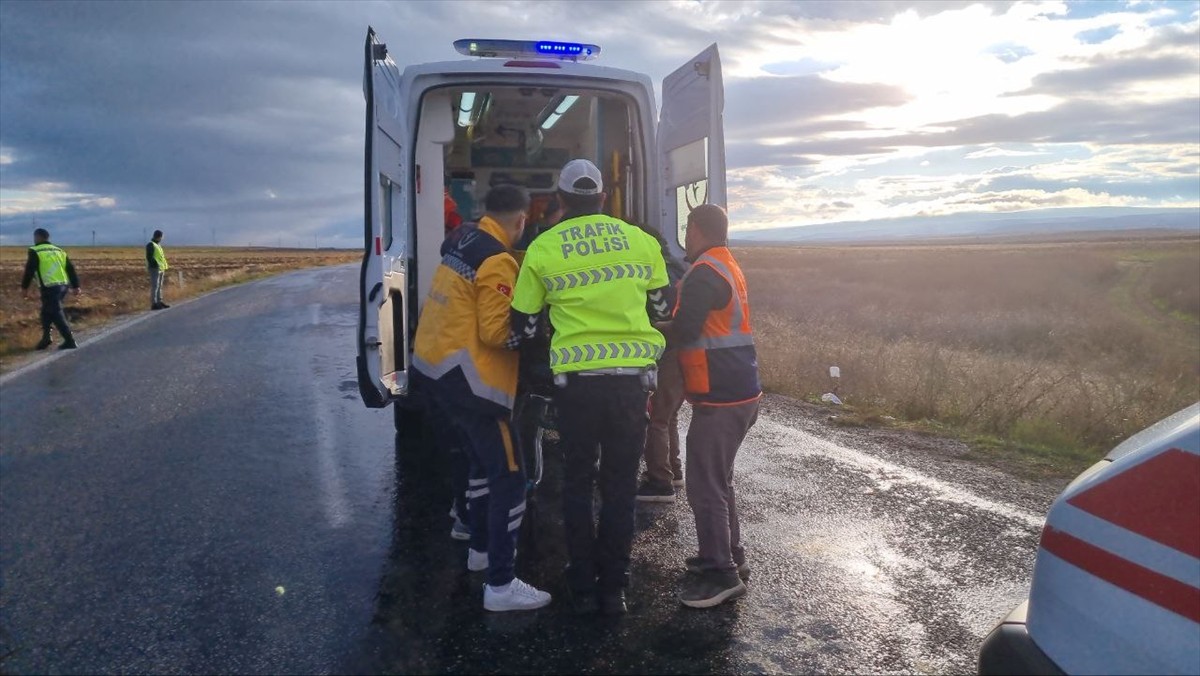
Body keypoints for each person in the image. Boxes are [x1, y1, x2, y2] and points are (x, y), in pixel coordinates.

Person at [509, 159, 673, 615]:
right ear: (603, 197)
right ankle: (614, 588)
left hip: (575, 389)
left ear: (560, 200)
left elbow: (522, 328)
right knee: (620, 486)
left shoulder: (543, 248)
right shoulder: (640, 242)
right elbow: (663, 304)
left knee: (578, 483)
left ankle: (581, 583)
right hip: (631, 386)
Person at [410, 184, 551, 613]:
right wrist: (534, 327)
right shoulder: (497, 260)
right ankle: (501, 585)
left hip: (434, 371)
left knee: (478, 464)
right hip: (473, 384)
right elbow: (496, 333)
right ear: (522, 221)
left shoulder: (463, 238)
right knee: (509, 477)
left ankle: (479, 550)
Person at [657, 204, 761, 609]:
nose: (685, 235)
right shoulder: (726, 264)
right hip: (738, 389)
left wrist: (641, 329)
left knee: (705, 483)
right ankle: (729, 556)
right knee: (720, 479)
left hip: (722, 394)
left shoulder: (704, 273)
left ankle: (722, 573)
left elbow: (684, 330)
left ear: (696, 229)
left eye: (686, 228)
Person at [634, 224, 690, 503]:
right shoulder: (679, 268)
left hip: (665, 351)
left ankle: (659, 481)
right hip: (684, 352)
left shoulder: (655, 273)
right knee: (669, 414)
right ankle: (674, 471)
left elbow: (658, 316)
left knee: (656, 417)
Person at [20, 228, 80, 350]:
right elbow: (70, 268)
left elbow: (29, 269)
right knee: (46, 311)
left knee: (56, 312)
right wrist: (76, 285)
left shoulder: (35, 250)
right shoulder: (59, 250)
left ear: (38, 237)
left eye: (35, 237)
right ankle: (46, 338)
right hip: (63, 285)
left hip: (49, 286)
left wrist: (24, 288)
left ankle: (70, 340)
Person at [146, 230, 170, 310]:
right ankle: (154, 304)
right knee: (155, 286)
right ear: (159, 236)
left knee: (159, 286)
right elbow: (149, 257)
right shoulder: (151, 245)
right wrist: (155, 264)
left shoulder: (158, 245)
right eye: (161, 237)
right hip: (154, 268)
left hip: (161, 268)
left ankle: (159, 302)